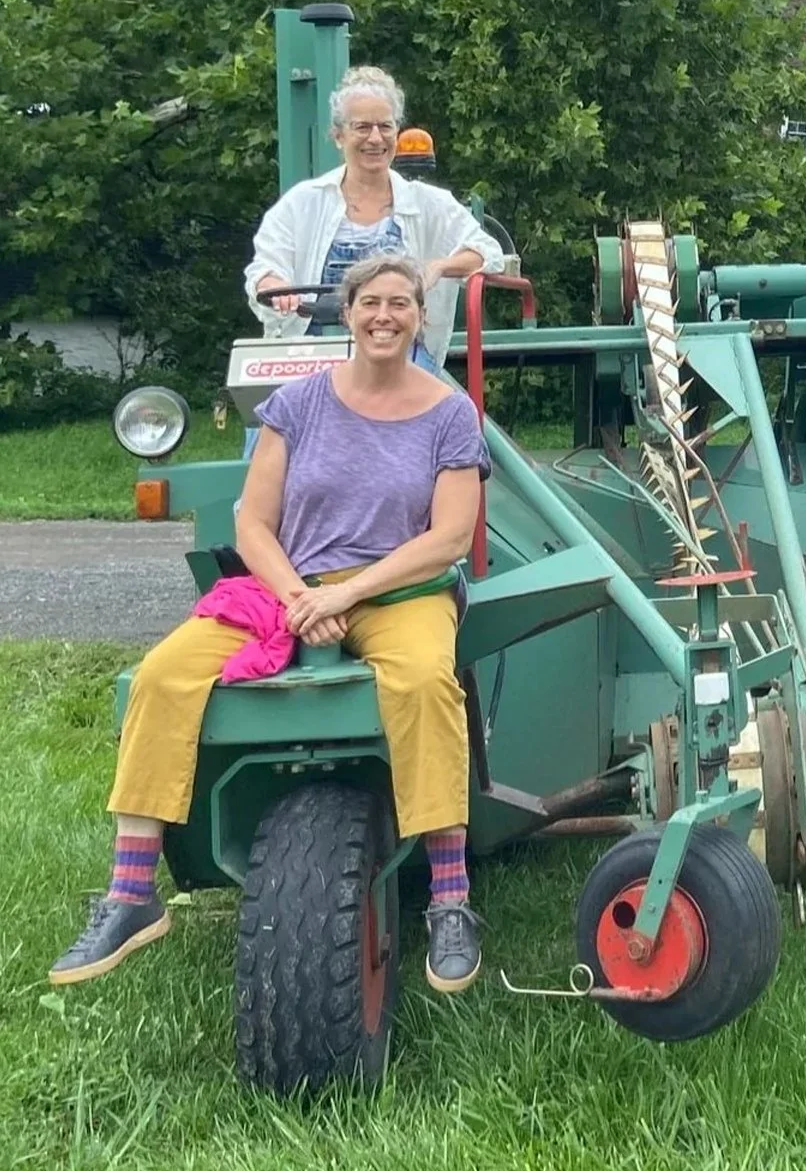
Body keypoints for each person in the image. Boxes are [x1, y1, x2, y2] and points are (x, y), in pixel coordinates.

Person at [51, 254, 490, 992]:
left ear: (420, 315)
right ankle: (131, 893)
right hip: (289, 588)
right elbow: (253, 522)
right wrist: (297, 597)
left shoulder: (448, 413)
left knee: (422, 682)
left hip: (400, 590)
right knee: (161, 676)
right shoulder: (298, 403)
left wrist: (347, 597)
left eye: (400, 304)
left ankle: (450, 899)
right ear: (347, 314)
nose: (385, 316)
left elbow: (447, 537)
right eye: (370, 303)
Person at [245, 64, 504, 371]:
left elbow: (488, 253)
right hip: (313, 351)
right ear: (339, 136)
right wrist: (273, 280)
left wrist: (438, 266)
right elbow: (265, 266)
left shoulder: (429, 203)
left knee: (431, 411)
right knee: (269, 417)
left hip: (401, 353)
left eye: (385, 126)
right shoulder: (302, 203)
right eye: (363, 127)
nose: (375, 138)